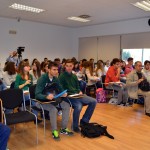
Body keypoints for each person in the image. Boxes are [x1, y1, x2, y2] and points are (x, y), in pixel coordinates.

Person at [35, 62, 73, 140]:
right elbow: (37, 94)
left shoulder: (56, 79)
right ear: (48, 70)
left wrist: (63, 93)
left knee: (66, 105)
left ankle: (63, 128)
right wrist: (46, 96)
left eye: (57, 70)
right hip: (41, 102)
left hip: (53, 99)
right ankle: (54, 131)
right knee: (53, 110)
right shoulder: (42, 79)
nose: (56, 71)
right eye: (54, 70)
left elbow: (61, 89)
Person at [59, 59, 97, 133]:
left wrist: (79, 91)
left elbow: (77, 86)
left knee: (94, 101)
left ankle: (84, 120)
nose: (69, 68)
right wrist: (67, 93)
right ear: (65, 66)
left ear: (73, 66)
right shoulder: (62, 76)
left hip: (77, 95)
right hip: (67, 96)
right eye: (67, 66)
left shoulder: (74, 76)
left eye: (70, 66)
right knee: (79, 106)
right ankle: (75, 126)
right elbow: (60, 89)